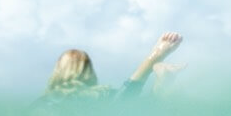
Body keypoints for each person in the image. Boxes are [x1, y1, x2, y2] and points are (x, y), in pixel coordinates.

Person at [42, 32, 183, 103]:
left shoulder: (44, 101)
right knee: (126, 104)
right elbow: (128, 91)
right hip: (103, 111)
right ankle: (156, 62)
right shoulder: (100, 93)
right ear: (89, 72)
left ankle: (158, 89)